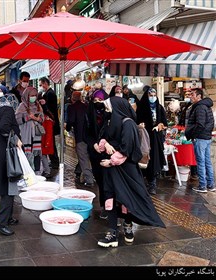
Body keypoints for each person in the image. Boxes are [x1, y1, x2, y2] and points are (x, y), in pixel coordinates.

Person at [96, 97, 165, 248]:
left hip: (125, 170)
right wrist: (104, 144)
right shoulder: (111, 121)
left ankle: (128, 226)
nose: (107, 110)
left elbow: (127, 149)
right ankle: (112, 232)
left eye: (109, 107)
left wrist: (111, 161)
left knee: (125, 198)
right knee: (110, 197)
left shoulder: (128, 124)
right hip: (110, 169)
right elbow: (104, 137)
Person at [0, 94, 21, 236]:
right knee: (9, 188)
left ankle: (7, 217)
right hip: (4, 154)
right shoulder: (7, 110)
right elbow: (4, 128)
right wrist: (15, 140)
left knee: (6, 185)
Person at [136, 87, 167, 195]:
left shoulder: (159, 108)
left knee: (154, 160)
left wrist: (160, 126)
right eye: (150, 95)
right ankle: (140, 182)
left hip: (155, 138)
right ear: (146, 96)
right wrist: (139, 125)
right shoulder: (141, 108)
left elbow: (164, 123)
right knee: (143, 159)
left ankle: (152, 184)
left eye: (154, 95)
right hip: (144, 138)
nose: (153, 97)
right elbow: (135, 121)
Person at [185, 88, 216, 193]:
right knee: (207, 162)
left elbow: (200, 124)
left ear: (199, 96)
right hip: (206, 137)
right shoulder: (206, 106)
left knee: (201, 162)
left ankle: (203, 186)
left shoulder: (200, 107)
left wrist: (193, 135)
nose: (190, 96)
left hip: (201, 138)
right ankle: (211, 185)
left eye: (193, 94)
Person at [86, 89, 109, 219]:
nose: (98, 103)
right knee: (100, 180)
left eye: (100, 100)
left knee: (108, 180)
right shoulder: (89, 113)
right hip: (95, 153)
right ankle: (104, 206)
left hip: (108, 153)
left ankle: (110, 206)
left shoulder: (110, 114)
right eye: (95, 101)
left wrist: (105, 144)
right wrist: (94, 144)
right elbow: (86, 132)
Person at [66, 90, 94, 188]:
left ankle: (89, 179)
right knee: (84, 155)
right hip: (91, 136)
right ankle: (78, 171)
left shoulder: (71, 107)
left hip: (80, 136)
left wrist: (67, 127)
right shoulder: (87, 106)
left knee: (83, 157)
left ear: (72, 98)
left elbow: (71, 120)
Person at [15, 86, 44, 174]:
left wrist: (37, 119)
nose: (33, 97)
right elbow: (17, 119)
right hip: (25, 134)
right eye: (31, 95)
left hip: (36, 134)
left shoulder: (38, 105)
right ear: (27, 95)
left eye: (35, 95)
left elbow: (42, 119)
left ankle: (37, 172)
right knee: (26, 152)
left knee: (37, 152)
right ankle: (27, 172)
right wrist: (28, 117)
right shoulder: (22, 106)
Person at [39, 77, 60, 169]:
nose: (41, 86)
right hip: (49, 121)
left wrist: (43, 104)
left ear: (45, 83)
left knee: (50, 142)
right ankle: (54, 160)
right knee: (50, 141)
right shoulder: (48, 93)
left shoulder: (50, 93)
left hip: (50, 121)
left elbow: (50, 109)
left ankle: (55, 161)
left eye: (41, 84)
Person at [178, 91, 198, 180]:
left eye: (191, 95)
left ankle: (195, 173)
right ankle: (192, 172)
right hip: (186, 130)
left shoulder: (197, 106)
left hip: (192, 132)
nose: (189, 97)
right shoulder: (187, 105)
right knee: (190, 152)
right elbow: (183, 118)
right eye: (187, 95)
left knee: (194, 153)